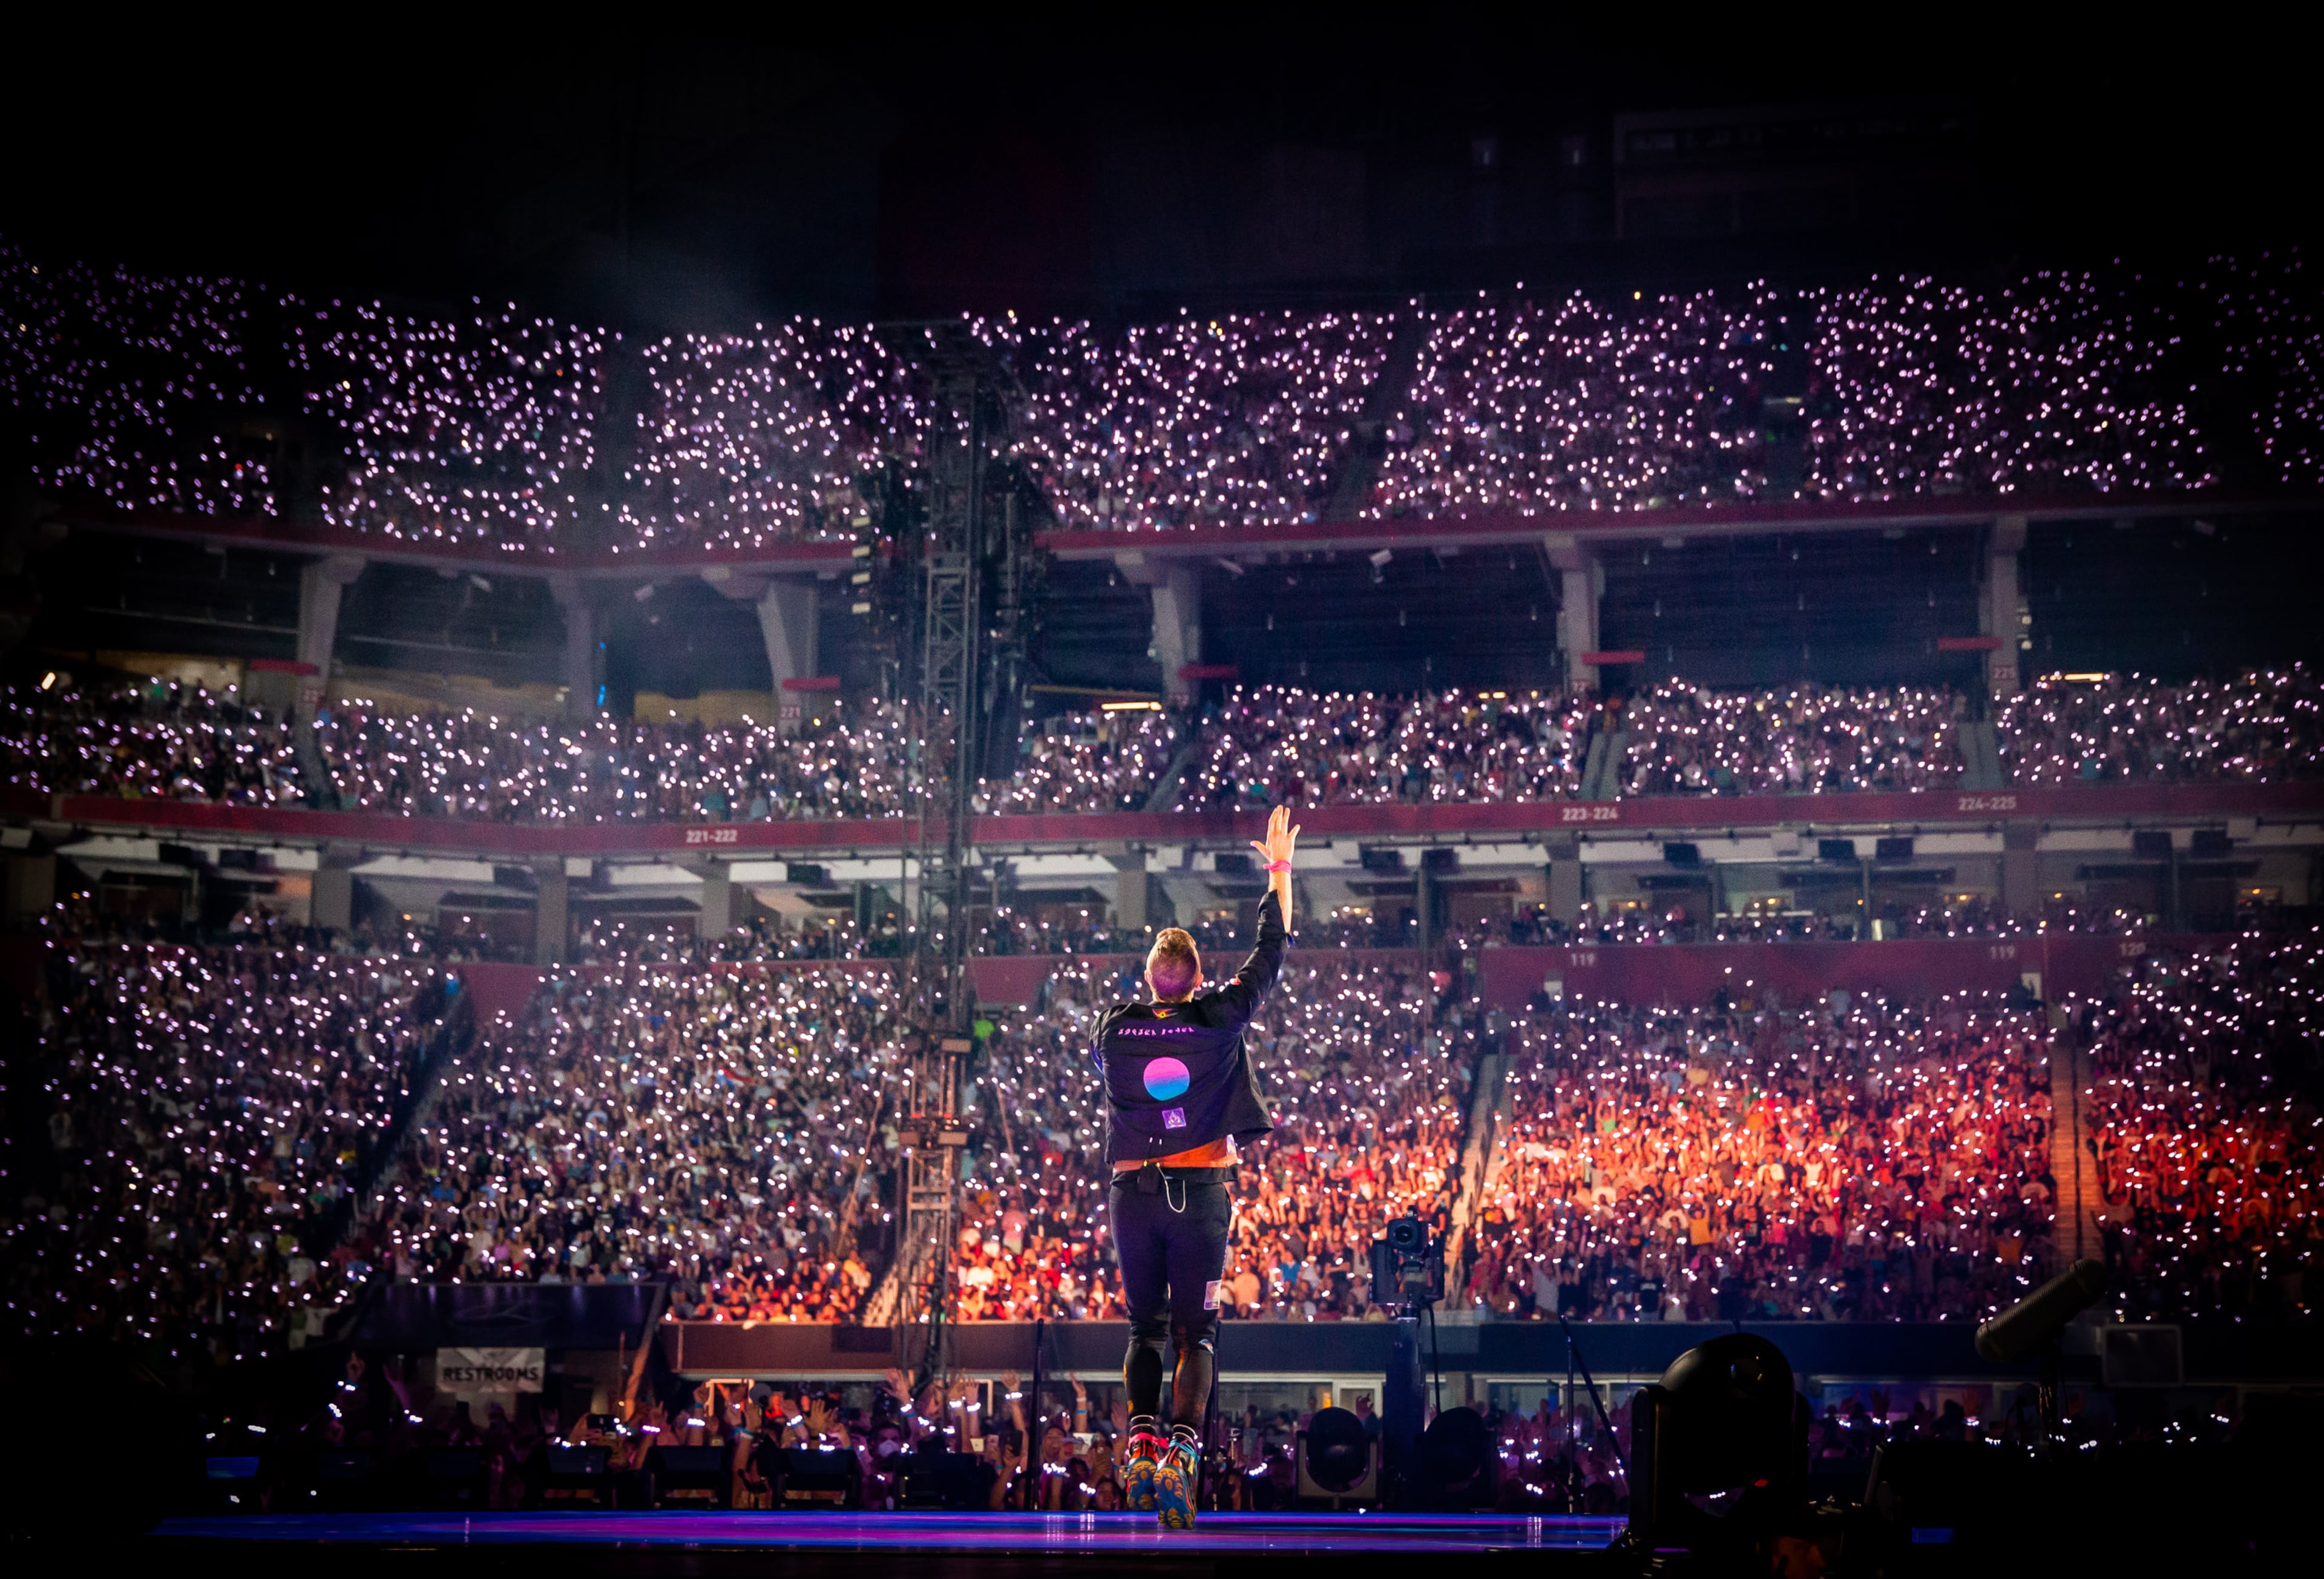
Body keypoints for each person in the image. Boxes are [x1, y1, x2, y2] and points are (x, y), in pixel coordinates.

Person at [1095, 803, 1297, 1530]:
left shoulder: (1113, 1030)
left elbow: (1142, 1033)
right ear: (1200, 978)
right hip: (1201, 1193)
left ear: (1150, 977)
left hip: (1132, 1195)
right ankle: (1180, 1453)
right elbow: (1272, 952)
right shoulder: (1219, 1018)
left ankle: (1142, 1444)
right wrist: (1279, 872)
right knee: (1196, 1336)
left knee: (1141, 1330)